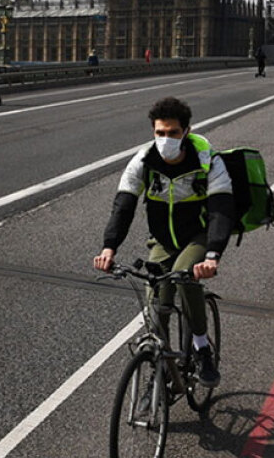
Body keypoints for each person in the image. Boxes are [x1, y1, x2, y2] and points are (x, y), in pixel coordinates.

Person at [93, 97, 235, 388]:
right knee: (156, 305)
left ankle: (202, 348)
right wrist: (109, 248)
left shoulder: (209, 160)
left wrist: (212, 255)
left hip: (198, 236)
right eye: (160, 133)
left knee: (185, 276)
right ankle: (159, 376)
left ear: (186, 131)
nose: (165, 139)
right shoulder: (143, 160)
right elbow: (123, 206)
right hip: (162, 240)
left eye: (172, 133)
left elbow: (222, 209)